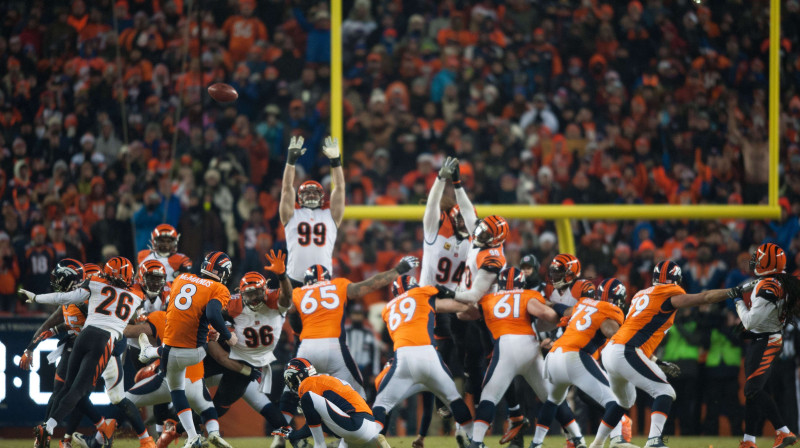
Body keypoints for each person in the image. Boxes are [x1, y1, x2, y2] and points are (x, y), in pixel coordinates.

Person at [596, 260, 757, 448]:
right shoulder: (669, 292)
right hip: (626, 351)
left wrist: (657, 361)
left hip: (612, 351)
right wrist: (734, 291)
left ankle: (597, 445)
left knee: (623, 401)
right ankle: (654, 441)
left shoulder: (641, 294)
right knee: (665, 392)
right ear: (676, 280)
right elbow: (703, 298)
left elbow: (636, 333)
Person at [21, 257, 144, 448]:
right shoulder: (136, 294)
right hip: (101, 341)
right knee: (76, 391)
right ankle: (57, 430)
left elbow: (63, 299)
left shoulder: (93, 284)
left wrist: (36, 298)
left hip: (90, 339)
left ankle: (56, 430)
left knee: (75, 391)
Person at [286, 255, 419, 401]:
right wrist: (398, 270)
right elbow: (372, 284)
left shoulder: (298, 292)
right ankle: (364, 421)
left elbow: (284, 306)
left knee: (291, 393)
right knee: (356, 394)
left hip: (306, 347)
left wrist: (281, 277)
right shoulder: (338, 284)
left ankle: (283, 421)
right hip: (332, 345)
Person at [533, 278, 636, 448]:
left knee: (553, 401)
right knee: (616, 400)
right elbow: (611, 331)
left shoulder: (583, 304)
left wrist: (550, 304)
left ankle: (535, 444)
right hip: (575, 357)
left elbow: (565, 311)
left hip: (554, 356)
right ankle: (617, 439)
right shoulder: (611, 310)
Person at [466, 267, 563, 448]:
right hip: (531, 347)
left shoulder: (488, 298)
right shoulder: (529, 294)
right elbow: (549, 315)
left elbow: (462, 313)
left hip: (503, 348)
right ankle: (575, 436)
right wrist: (560, 316)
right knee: (551, 396)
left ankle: (477, 441)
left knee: (490, 396)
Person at [371, 276, 474, 441]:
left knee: (381, 405)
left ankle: (371, 438)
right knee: (454, 399)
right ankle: (475, 439)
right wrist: (466, 300)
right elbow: (448, 299)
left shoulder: (387, 309)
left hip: (403, 357)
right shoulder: (423, 292)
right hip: (428, 353)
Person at [161, 251, 237, 448]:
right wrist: (228, 336)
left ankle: (193, 435)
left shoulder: (181, 279)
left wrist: (208, 329)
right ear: (224, 272)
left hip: (170, 349)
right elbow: (212, 312)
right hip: (196, 352)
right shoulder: (218, 287)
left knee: (176, 391)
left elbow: (180, 312)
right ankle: (197, 436)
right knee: (188, 387)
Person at [212, 251, 291, 425]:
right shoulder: (233, 304)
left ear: (266, 289)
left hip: (249, 364)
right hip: (227, 355)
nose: (254, 298)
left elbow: (287, 298)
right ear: (239, 293)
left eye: (257, 292)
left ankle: (294, 438)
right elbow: (209, 312)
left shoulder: (274, 300)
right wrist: (219, 328)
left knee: (220, 407)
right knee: (188, 381)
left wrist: (283, 276)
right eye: (249, 294)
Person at [734, 243, 800, 448]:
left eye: (758, 258)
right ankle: (749, 441)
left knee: (753, 389)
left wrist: (737, 300)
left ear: (767, 262)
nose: (755, 261)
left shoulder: (769, 284)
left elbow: (750, 322)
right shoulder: (777, 280)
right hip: (765, 338)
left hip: (766, 340)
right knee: (753, 390)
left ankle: (783, 431)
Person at [280, 135, 344, 287]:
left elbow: (340, 187)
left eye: (315, 192)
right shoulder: (292, 214)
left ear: (322, 197)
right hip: (294, 279)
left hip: (323, 279)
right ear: (299, 198)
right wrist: (290, 162)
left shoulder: (330, 214)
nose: (310, 194)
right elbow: (286, 188)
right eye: (306, 192)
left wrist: (336, 162)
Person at [284, 358, 391, 448]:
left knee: (307, 398)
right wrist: (296, 435)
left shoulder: (308, 383)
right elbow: (322, 423)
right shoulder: (325, 381)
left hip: (355, 424)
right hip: (367, 426)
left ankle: (319, 445)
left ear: (295, 376)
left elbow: (311, 420)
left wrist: (294, 435)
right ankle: (373, 442)